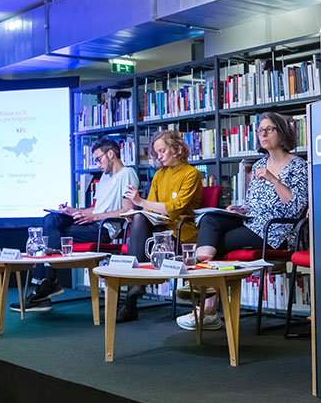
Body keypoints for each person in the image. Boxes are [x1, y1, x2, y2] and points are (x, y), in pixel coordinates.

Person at [179, 112, 308, 331]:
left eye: (269, 129)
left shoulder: (299, 166)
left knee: (216, 242)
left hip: (276, 230)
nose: (263, 134)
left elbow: (296, 207)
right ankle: (205, 296)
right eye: (260, 130)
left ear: (283, 132)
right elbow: (253, 204)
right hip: (251, 222)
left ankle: (204, 298)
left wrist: (272, 178)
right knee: (210, 218)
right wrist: (239, 209)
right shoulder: (259, 163)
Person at [12, 137, 138, 312]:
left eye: (98, 159)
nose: (97, 164)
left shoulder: (127, 173)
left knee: (51, 237)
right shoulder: (103, 178)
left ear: (111, 154)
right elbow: (93, 211)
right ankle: (47, 281)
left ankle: (46, 282)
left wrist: (95, 218)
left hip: (104, 229)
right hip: (93, 223)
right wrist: (71, 210)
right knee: (51, 219)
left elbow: (128, 210)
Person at [117, 129, 203, 322]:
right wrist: (137, 210)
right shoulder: (159, 175)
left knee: (140, 218)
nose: (159, 156)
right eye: (156, 153)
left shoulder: (191, 174)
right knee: (138, 218)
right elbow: (153, 209)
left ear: (176, 148)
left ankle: (134, 289)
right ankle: (136, 285)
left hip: (180, 230)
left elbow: (175, 208)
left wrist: (140, 203)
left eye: (162, 151)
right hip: (158, 228)